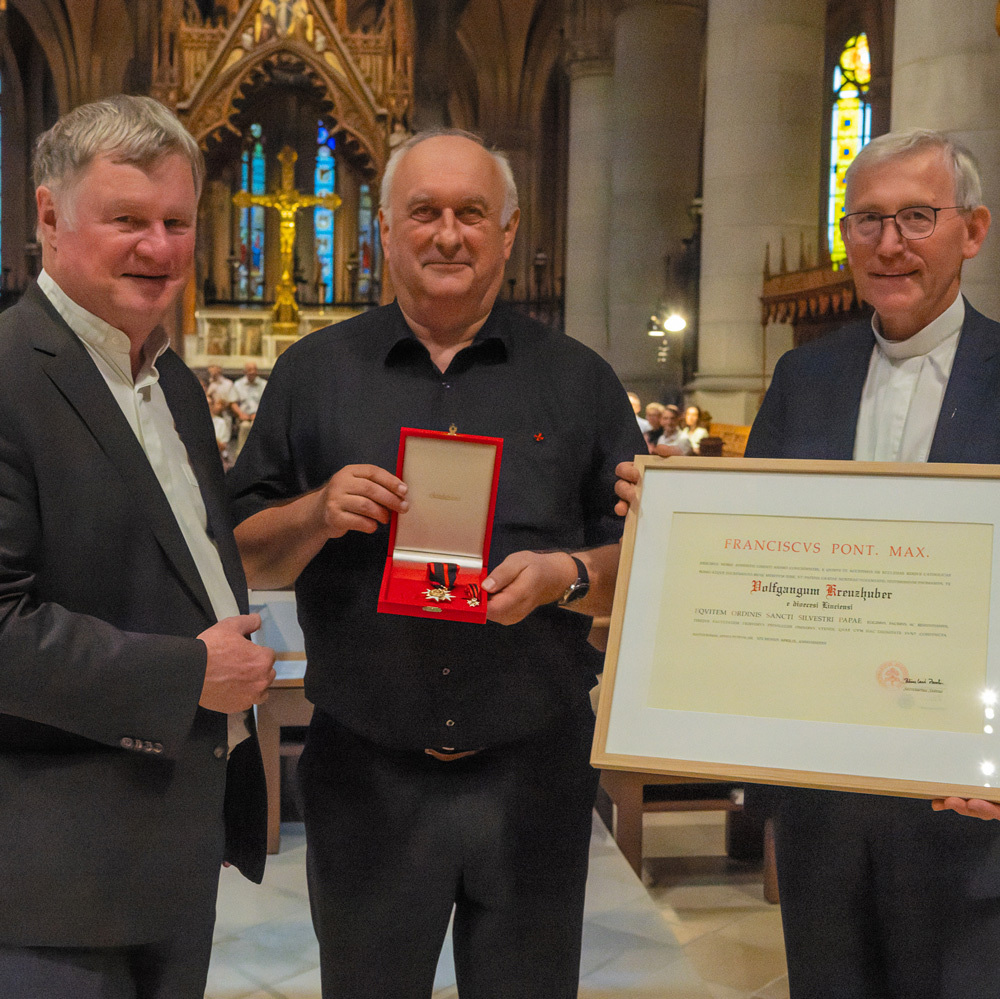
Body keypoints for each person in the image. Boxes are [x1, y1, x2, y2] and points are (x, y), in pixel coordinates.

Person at [227, 128, 645, 999]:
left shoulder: (580, 381)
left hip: (534, 771)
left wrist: (565, 576)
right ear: (384, 228)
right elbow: (241, 551)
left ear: (509, 230)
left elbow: (646, 559)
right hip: (366, 775)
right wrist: (316, 510)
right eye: (424, 212)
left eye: (471, 212)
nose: (448, 234)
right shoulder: (313, 374)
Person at [616, 128, 1000, 998]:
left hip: (966, 804)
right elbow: (759, 558)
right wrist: (678, 520)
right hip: (824, 800)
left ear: (972, 231)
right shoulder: (805, 378)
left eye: (917, 217)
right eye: (867, 220)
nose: (889, 243)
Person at [0, 94, 276, 998]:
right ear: (49, 216)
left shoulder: (174, 385)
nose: (158, 248)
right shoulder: (9, 373)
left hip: (168, 852)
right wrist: (188, 673)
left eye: (177, 222)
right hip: (49, 880)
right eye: (127, 220)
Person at [230, 360, 267, 459]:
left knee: (255, 427)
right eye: (250, 370)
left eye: (254, 369)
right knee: (245, 426)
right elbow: (233, 403)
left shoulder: (264, 384)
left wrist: (259, 414)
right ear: (245, 371)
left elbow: (268, 403)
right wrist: (241, 414)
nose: (252, 372)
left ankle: (258, 456)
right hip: (243, 417)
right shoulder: (238, 384)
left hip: (259, 417)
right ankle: (240, 455)